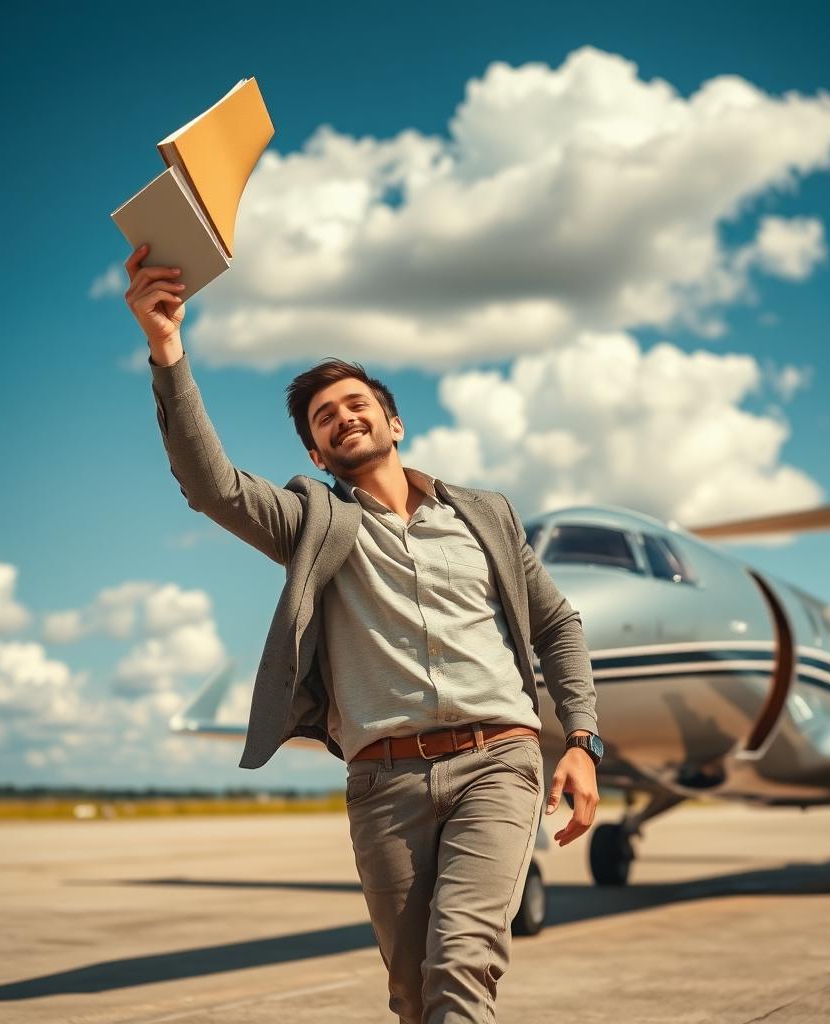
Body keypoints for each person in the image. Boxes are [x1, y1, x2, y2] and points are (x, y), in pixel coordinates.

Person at [123, 243, 603, 1023]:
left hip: (498, 763)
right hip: (384, 785)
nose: (342, 416)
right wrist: (167, 349)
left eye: (355, 404)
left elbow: (557, 624)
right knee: (413, 995)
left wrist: (580, 740)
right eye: (323, 419)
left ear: (393, 421)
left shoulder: (487, 515)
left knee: (461, 967)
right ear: (316, 454)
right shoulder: (315, 521)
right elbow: (210, 485)